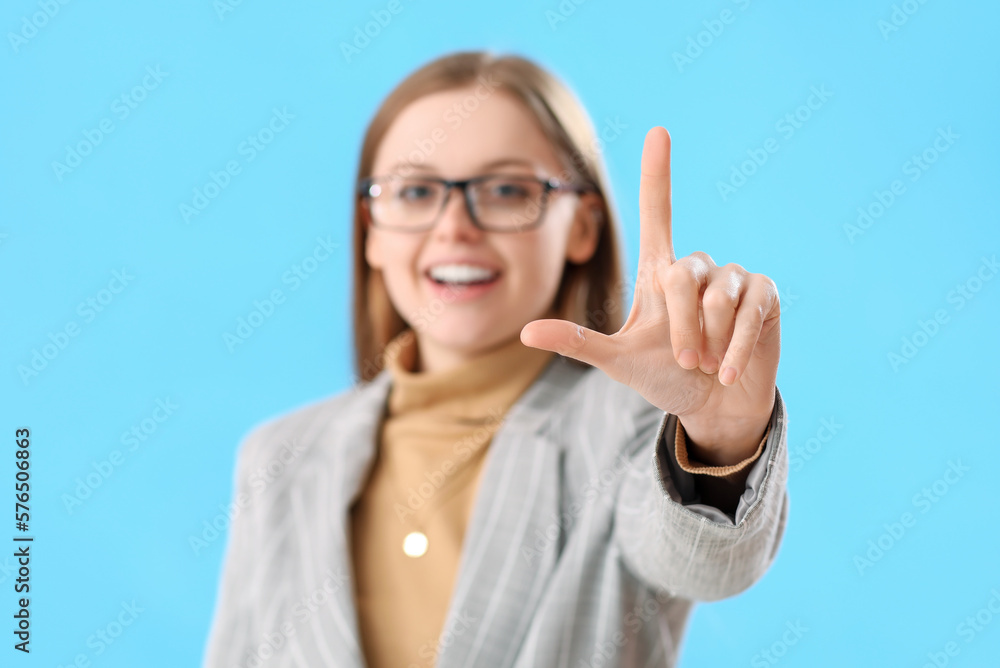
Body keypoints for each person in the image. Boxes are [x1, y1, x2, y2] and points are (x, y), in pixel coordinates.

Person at [204, 50, 788, 668]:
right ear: (371, 227)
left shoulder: (637, 428)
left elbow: (702, 563)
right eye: (415, 190)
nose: (454, 227)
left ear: (583, 227)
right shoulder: (278, 459)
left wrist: (720, 440)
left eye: (508, 189)